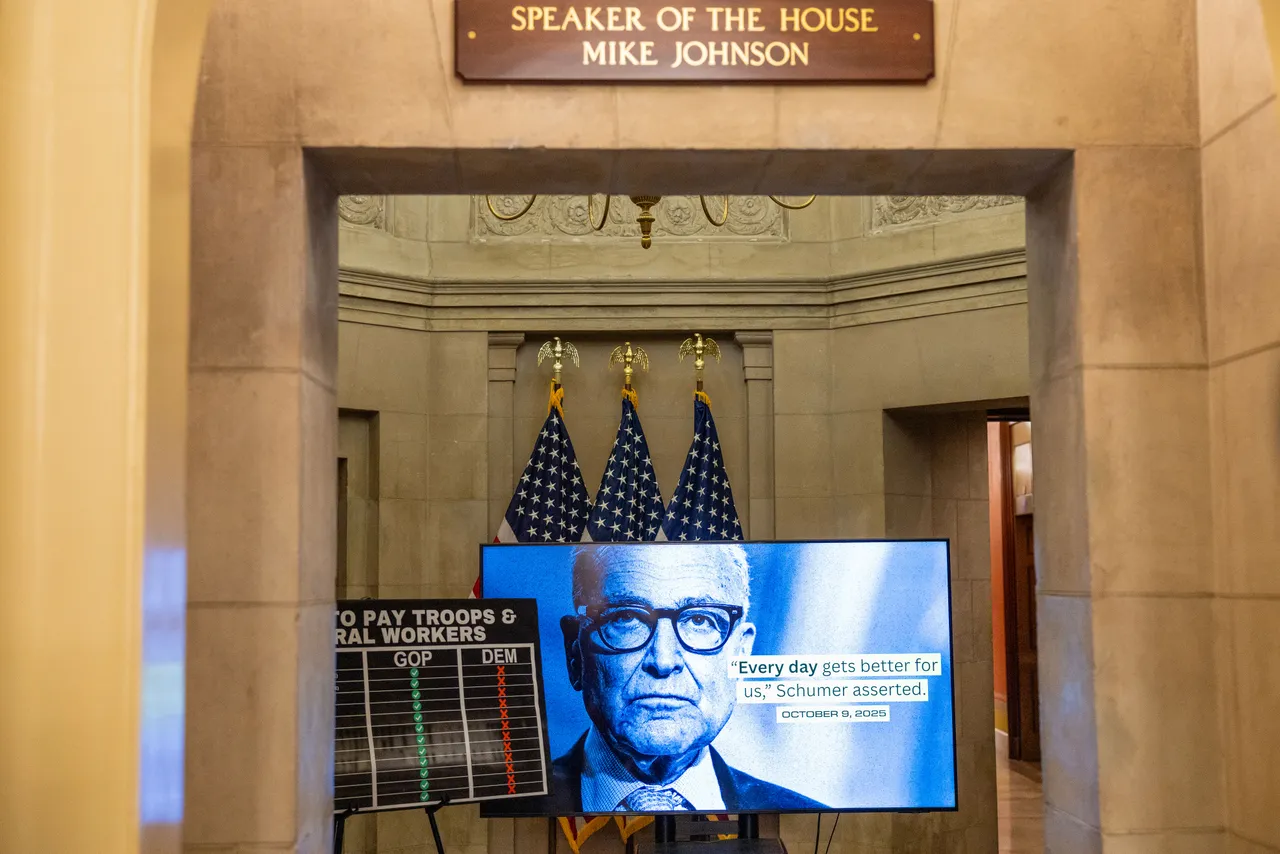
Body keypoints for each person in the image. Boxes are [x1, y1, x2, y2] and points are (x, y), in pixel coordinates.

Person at [547, 543, 826, 813]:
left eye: (699, 621)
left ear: (741, 657)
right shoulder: (514, 809)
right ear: (575, 653)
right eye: (628, 618)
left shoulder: (804, 816)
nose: (664, 661)